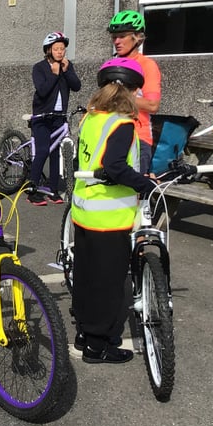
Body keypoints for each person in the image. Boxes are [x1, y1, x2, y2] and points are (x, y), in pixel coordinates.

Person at [70, 57, 157, 364]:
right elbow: (115, 167)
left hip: (84, 211)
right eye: (137, 92)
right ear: (129, 91)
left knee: (85, 277)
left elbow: (87, 162)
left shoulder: (93, 118)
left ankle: (84, 332)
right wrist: (144, 184)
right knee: (108, 285)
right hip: (109, 218)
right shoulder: (121, 123)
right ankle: (97, 346)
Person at [28, 31, 82, 205]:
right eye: (56, 49)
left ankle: (53, 190)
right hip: (42, 117)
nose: (60, 52)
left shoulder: (67, 66)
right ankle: (32, 190)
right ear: (48, 50)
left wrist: (65, 72)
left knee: (55, 154)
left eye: (62, 48)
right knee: (43, 150)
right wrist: (53, 74)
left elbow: (76, 86)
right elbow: (42, 91)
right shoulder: (39, 67)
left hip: (59, 117)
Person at [108, 9, 162, 174]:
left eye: (122, 36)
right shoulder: (111, 65)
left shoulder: (147, 65)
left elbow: (152, 105)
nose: (117, 41)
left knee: (134, 196)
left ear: (136, 37)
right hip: (111, 134)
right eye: (114, 37)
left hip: (137, 137)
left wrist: (118, 97)